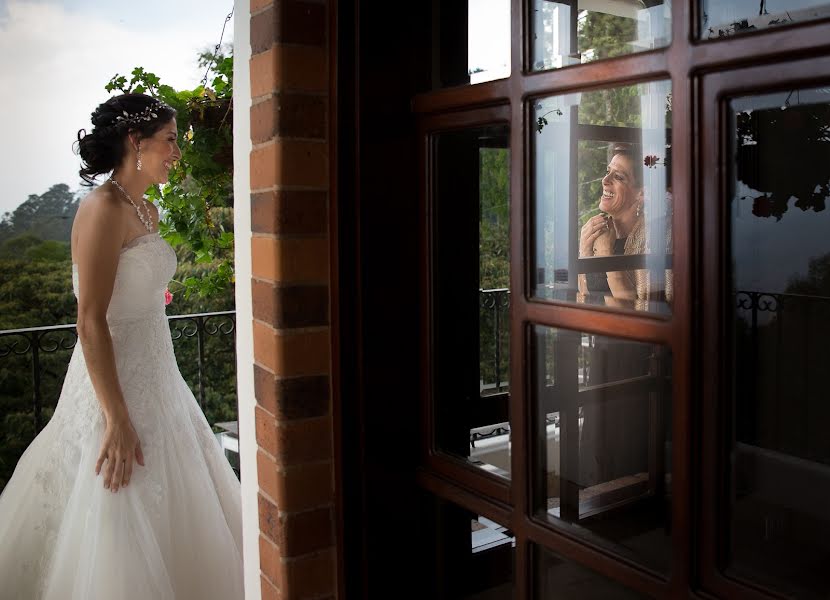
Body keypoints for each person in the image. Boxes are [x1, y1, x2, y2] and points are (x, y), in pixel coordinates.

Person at [0, 94, 244, 599]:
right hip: (113, 385)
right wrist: (116, 417)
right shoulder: (101, 208)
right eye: (171, 141)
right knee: (118, 500)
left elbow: (135, 288)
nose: (177, 152)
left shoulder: (147, 209)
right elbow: (89, 321)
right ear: (136, 142)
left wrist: (150, 296)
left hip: (160, 375)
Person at [577, 143, 673, 311]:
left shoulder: (655, 239)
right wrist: (584, 250)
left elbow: (634, 313)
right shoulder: (600, 232)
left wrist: (607, 254)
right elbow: (583, 300)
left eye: (619, 177)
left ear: (642, 194)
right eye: (608, 172)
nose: (605, 180)